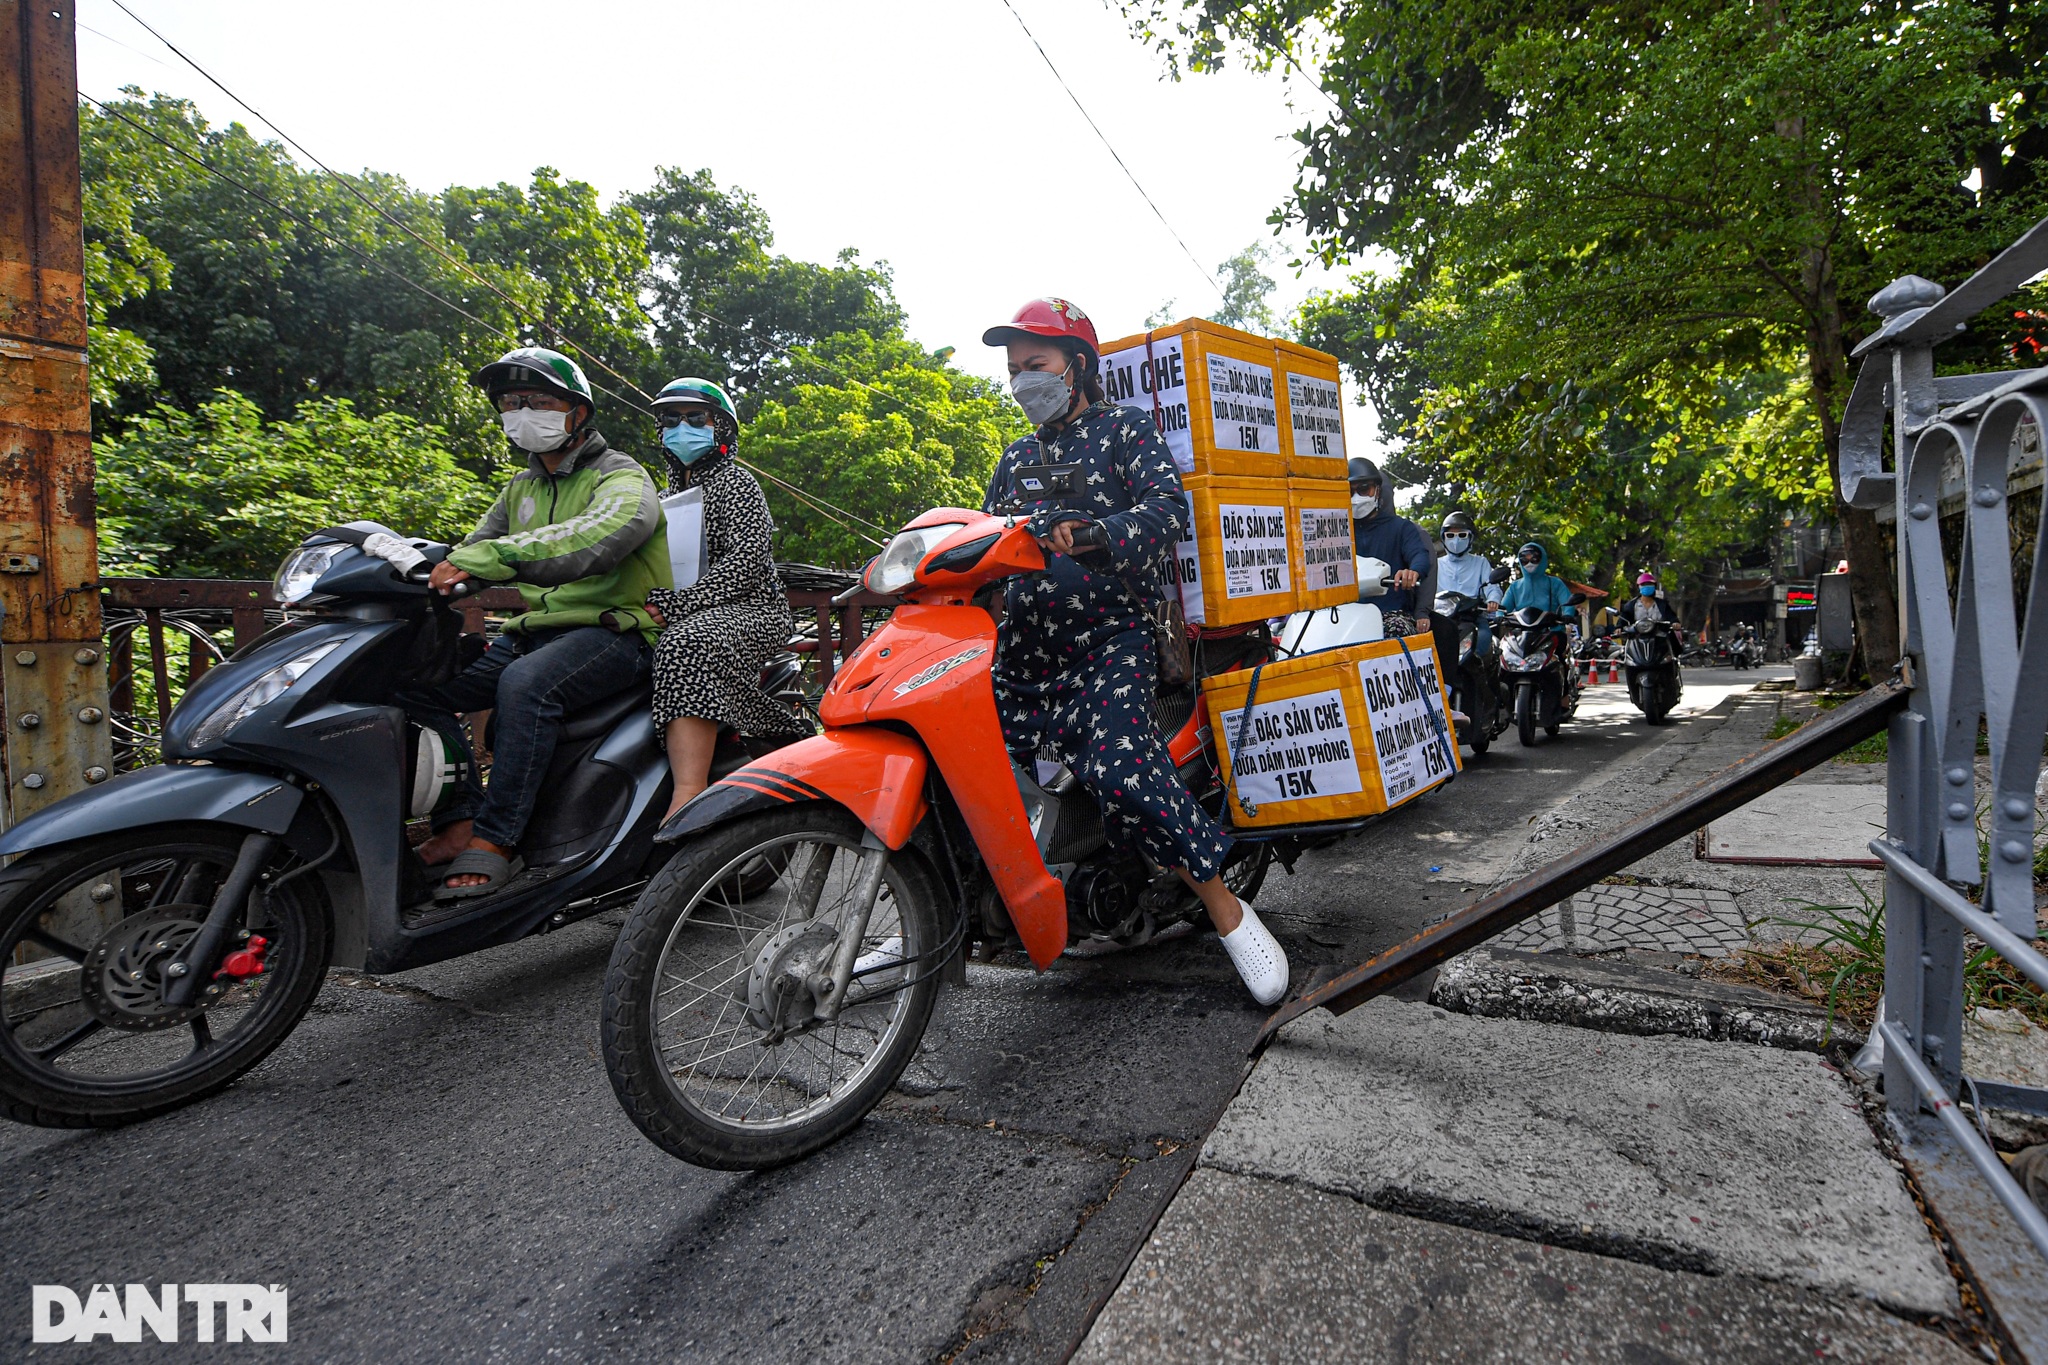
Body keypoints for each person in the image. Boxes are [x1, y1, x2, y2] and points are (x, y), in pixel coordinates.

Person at [981, 297, 1287, 1006]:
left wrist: (1091, 532)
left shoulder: (1125, 429)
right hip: (1023, 653)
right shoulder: (1016, 455)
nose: (1024, 380)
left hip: (1107, 645)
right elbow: (985, 532)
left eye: (1038, 364)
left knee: (1124, 771)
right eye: (1014, 370)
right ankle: (920, 921)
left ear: (1078, 365)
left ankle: (1228, 912)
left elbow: (1165, 510)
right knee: (965, 770)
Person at [406, 347, 667, 897]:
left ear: (577, 412)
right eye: (511, 403)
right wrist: (416, 572)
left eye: (539, 401)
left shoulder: (620, 475)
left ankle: (498, 840)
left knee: (523, 686)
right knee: (419, 682)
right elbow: (473, 552)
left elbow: (603, 532)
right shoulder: (519, 490)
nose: (523, 413)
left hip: (614, 631)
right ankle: (459, 822)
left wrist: (480, 560)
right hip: (537, 632)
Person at [643, 377, 808, 822]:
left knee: (685, 644)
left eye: (696, 418)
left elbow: (748, 557)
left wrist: (683, 604)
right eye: (671, 420)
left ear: (722, 429)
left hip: (753, 610)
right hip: (683, 611)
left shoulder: (738, 483)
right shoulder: (661, 499)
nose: (682, 428)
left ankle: (689, 794)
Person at [1347, 457, 1433, 639]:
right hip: (1346, 617)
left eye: (1364, 489)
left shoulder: (1401, 528)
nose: (1356, 498)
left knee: (1396, 630)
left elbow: (1419, 554)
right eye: (1350, 491)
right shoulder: (1339, 533)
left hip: (1390, 615)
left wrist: (1413, 572)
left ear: (1378, 491)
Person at [1434, 509, 1503, 653]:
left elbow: (1492, 586)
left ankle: (1481, 674)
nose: (1456, 540)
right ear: (1443, 538)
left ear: (1471, 538)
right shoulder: (1435, 564)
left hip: (1473, 617)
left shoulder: (1481, 562)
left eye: (1462, 535)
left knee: (1483, 641)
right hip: (1442, 619)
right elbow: (1425, 590)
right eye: (1451, 535)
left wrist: (1493, 600)